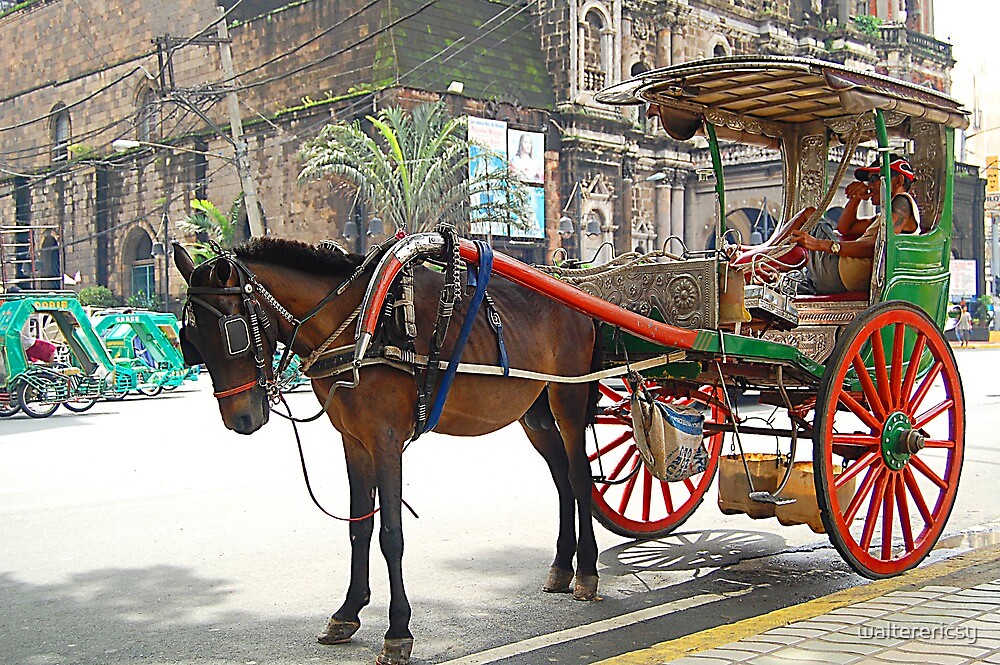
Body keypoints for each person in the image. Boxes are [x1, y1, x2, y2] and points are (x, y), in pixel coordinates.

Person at [787, 154, 920, 294]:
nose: (870, 185)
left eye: (875, 179)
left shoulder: (902, 201)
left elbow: (877, 247)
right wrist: (856, 197)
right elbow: (846, 228)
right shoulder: (883, 217)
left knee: (809, 214)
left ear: (898, 181)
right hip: (835, 277)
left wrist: (818, 244)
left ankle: (767, 259)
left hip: (837, 275)